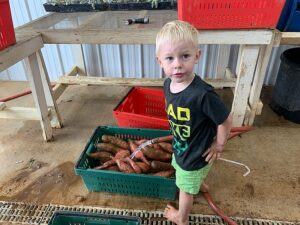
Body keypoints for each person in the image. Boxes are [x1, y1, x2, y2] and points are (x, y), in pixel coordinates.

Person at [155, 20, 233, 225]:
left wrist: (219, 144)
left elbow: (225, 119)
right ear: (159, 62)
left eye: (185, 56)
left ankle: (182, 217)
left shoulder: (202, 94)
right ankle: (198, 183)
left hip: (195, 153)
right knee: (181, 169)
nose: (177, 64)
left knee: (184, 189)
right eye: (169, 58)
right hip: (182, 146)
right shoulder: (167, 84)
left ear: (197, 56)